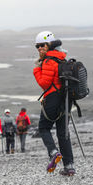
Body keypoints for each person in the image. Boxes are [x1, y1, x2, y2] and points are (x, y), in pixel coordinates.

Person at [33, 31, 75, 176]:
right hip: (66, 100)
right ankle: (69, 166)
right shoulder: (63, 58)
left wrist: (37, 69)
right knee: (63, 133)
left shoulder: (49, 61)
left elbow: (44, 83)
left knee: (43, 127)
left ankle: (53, 152)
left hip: (52, 99)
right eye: (37, 46)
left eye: (41, 45)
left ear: (49, 44)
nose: (39, 48)